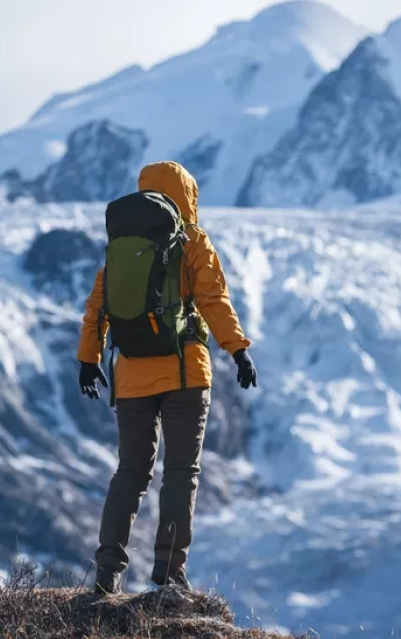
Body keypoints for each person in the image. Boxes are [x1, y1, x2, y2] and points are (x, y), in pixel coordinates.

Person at [77, 161, 257, 594]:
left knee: (131, 471)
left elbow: (98, 304)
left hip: (131, 375)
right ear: (188, 194)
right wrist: (238, 350)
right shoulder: (192, 240)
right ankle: (170, 569)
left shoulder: (123, 244)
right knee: (180, 472)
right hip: (184, 372)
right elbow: (213, 299)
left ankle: (107, 571)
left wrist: (89, 357)